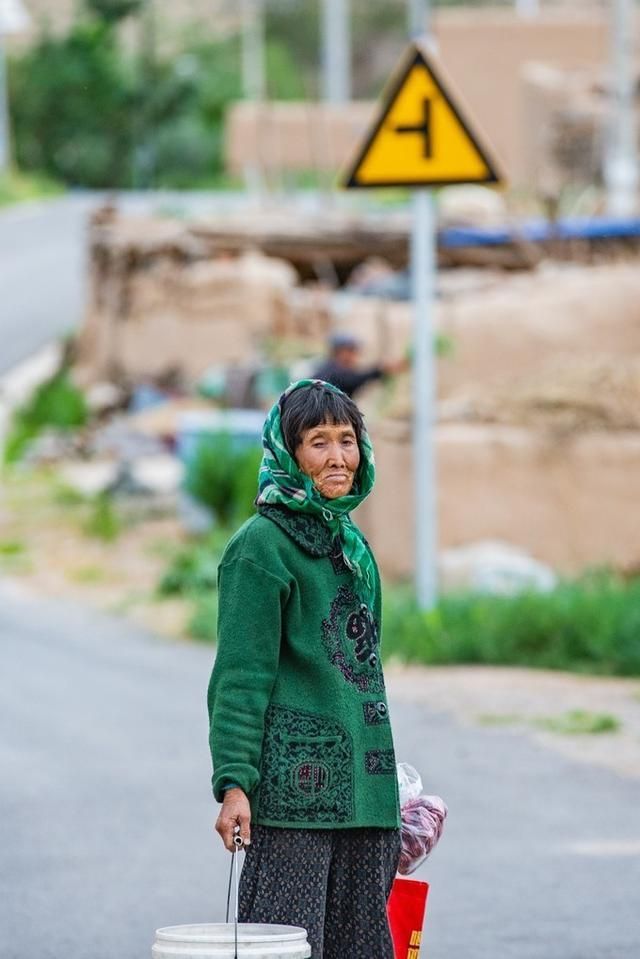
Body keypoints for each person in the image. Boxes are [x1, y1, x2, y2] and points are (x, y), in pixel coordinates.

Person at [207, 379, 401, 959]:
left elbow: (360, 673)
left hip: (368, 801)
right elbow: (240, 678)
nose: (338, 457)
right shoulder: (260, 548)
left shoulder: (350, 546)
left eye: (348, 440)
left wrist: (394, 789)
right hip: (295, 803)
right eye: (318, 442)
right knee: (286, 950)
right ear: (287, 455)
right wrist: (234, 784)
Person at [311, 332, 408, 398]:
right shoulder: (330, 372)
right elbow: (352, 379)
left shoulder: (333, 369)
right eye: (351, 350)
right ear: (339, 351)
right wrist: (380, 369)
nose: (355, 356)